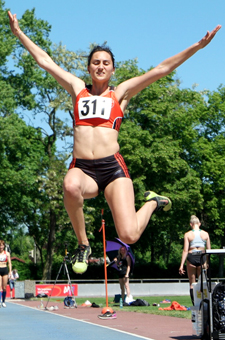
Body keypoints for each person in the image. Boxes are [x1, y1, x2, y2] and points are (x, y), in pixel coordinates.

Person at [8, 10, 221, 275]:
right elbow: (45, 61)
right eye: (95, 62)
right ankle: (83, 244)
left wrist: (197, 47)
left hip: (112, 168)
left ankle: (153, 202)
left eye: (105, 62)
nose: (100, 66)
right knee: (69, 185)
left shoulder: (120, 93)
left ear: (112, 69)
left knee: (129, 235)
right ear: (88, 68)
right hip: (83, 167)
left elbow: (161, 69)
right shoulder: (77, 88)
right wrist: (18, 33)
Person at [179, 215, 211, 305]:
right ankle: (204, 303)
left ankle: (195, 304)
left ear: (191, 224)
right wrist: (207, 262)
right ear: (199, 224)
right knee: (203, 283)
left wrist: (181, 265)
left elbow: (185, 250)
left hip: (191, 256)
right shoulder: (205, 234)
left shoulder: (188, 234)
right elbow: (209, 250)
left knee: (192, 284)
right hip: (202, 257)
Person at [0, 240, 12, 307]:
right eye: (0, 245)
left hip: (4, 270)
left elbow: (9, 263)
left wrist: (10, 271)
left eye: (2, 245)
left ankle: (3, 301)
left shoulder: (7, 253)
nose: (1, 247)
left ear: (4, 246)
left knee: (4, 287)